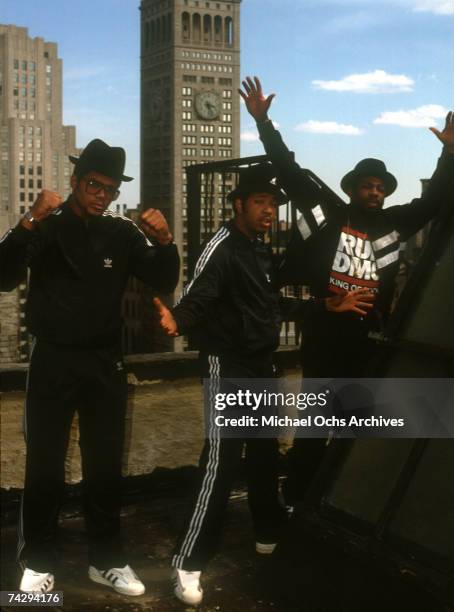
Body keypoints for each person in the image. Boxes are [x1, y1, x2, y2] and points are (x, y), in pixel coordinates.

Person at [153, 163, 373, 606]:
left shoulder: (258, 248)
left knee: (266, 453)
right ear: (238, 205)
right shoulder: (223, 245)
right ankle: (188, 561)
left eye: (273, 204)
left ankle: (268, 531)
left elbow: (271, 303)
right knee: (222, 459)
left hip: (260, 363)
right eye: (260, 203)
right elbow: (200, 294)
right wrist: (178, 318)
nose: (269, 211)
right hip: (228, 363)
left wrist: (326, 306)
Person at [239, 76, 454, 507]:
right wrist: (264, 123)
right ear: (352, 189)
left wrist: (448, 152)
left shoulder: (393, 224)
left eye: (380, 188)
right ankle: (297, 500)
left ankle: (338, 504)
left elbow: (434, 202)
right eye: (367, 186)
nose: (374, 193)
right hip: (324, 338)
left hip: (369, 343)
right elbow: (290, 171)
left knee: (357, 431)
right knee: (316, 428)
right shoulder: (328, 216)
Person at [0, 139, 179, 595]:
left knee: (104, 466)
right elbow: (1, 276)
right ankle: (38, 562)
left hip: (104, 361)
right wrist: (29, 219)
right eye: (95, 185)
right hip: (53, 358)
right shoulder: (47, 226)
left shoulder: (121, 232)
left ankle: (107, 559)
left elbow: (162, 278)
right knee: (44, 465)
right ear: (77, 182)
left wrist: (166, 242)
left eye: (110, 189)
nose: (102, 195)